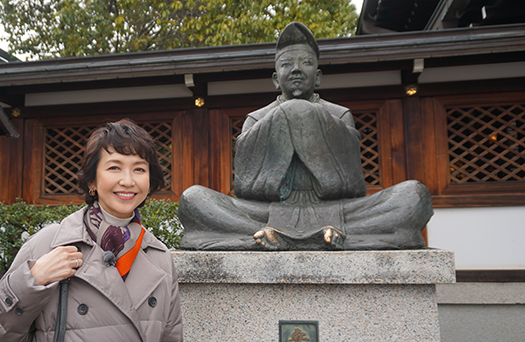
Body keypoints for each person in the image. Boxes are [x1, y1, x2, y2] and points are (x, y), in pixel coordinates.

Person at [178, 22, 433, 251]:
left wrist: (305, 116)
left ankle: (265, 239)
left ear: (318, 76)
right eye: (287, 64)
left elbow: (352, 187)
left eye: (306, 63)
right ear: (276, 79)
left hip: (336, 212)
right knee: (193, 199)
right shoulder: (256, 119)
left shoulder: (339, 114)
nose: (297, 69)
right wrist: (286, 116)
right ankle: (337, 239)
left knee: (414, 195)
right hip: (266, 213)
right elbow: (247, 190)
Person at [0, 119, 183, 342]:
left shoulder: (159, 257)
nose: (128, 180)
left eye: (139, 169)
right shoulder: (50, 243)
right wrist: (31, 282)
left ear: (150, 182)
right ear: (92, 181)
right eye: (114, 167)